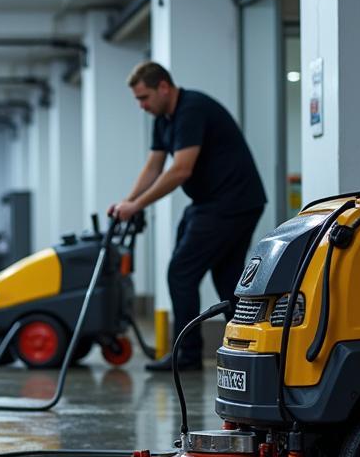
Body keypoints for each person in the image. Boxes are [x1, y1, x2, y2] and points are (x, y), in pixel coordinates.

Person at [109, 62, 266, 371]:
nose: (142, 106)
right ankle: (248, 350)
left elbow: (181, 169)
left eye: (144, 98)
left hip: (230, 202)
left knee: (181, 271)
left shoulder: (191, 109)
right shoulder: (163, 118)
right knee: (228, 279)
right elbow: (154, 166)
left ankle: (189, 355)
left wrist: (138, 206)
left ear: (163, 87)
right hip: (215, 202)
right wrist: (126, 202)